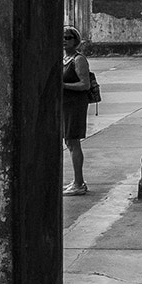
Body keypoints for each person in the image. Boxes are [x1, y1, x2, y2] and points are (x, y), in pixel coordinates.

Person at [62, 25, 92, 196]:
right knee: (69, 142)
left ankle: (79, 183)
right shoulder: (64, 59)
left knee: (73, 142)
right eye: (62, 38)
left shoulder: (78, 60)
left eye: (68, 38)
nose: (64, 41)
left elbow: (85, 84)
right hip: (65, 105)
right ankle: (76, 180)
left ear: (75, 40)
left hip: (75, 104)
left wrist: (64, 85)